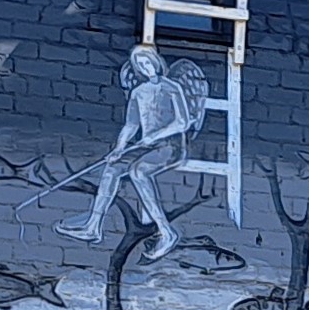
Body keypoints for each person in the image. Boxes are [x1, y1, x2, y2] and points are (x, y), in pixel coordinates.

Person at [70, 43, 207, 257]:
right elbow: (131, 125)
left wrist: (155, 135)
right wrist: (119, 148)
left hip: (170, 146)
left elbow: (182, 122)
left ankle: (166, 232)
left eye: (147, 62)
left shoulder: (172, 87)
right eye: (140, 65)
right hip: (146, 146)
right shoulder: (138, 92)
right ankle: (93, 226)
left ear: (156, 62)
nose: (145, 67)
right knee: (112, 168)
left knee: (138, 171)